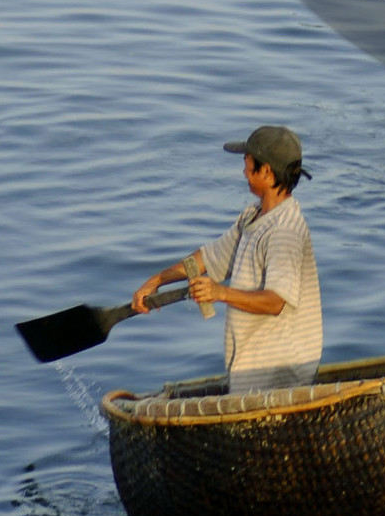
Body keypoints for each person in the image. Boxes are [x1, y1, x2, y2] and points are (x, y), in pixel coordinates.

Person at [131, 124, 323, 394]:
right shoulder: (253, 217)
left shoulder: (284, 232)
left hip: (277, 375)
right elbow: (207, 258)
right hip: (252, 367)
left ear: (266, 172)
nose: (244, 172)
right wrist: (158, 280)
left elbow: (276, 301)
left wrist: (220, 292)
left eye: (248, 165)